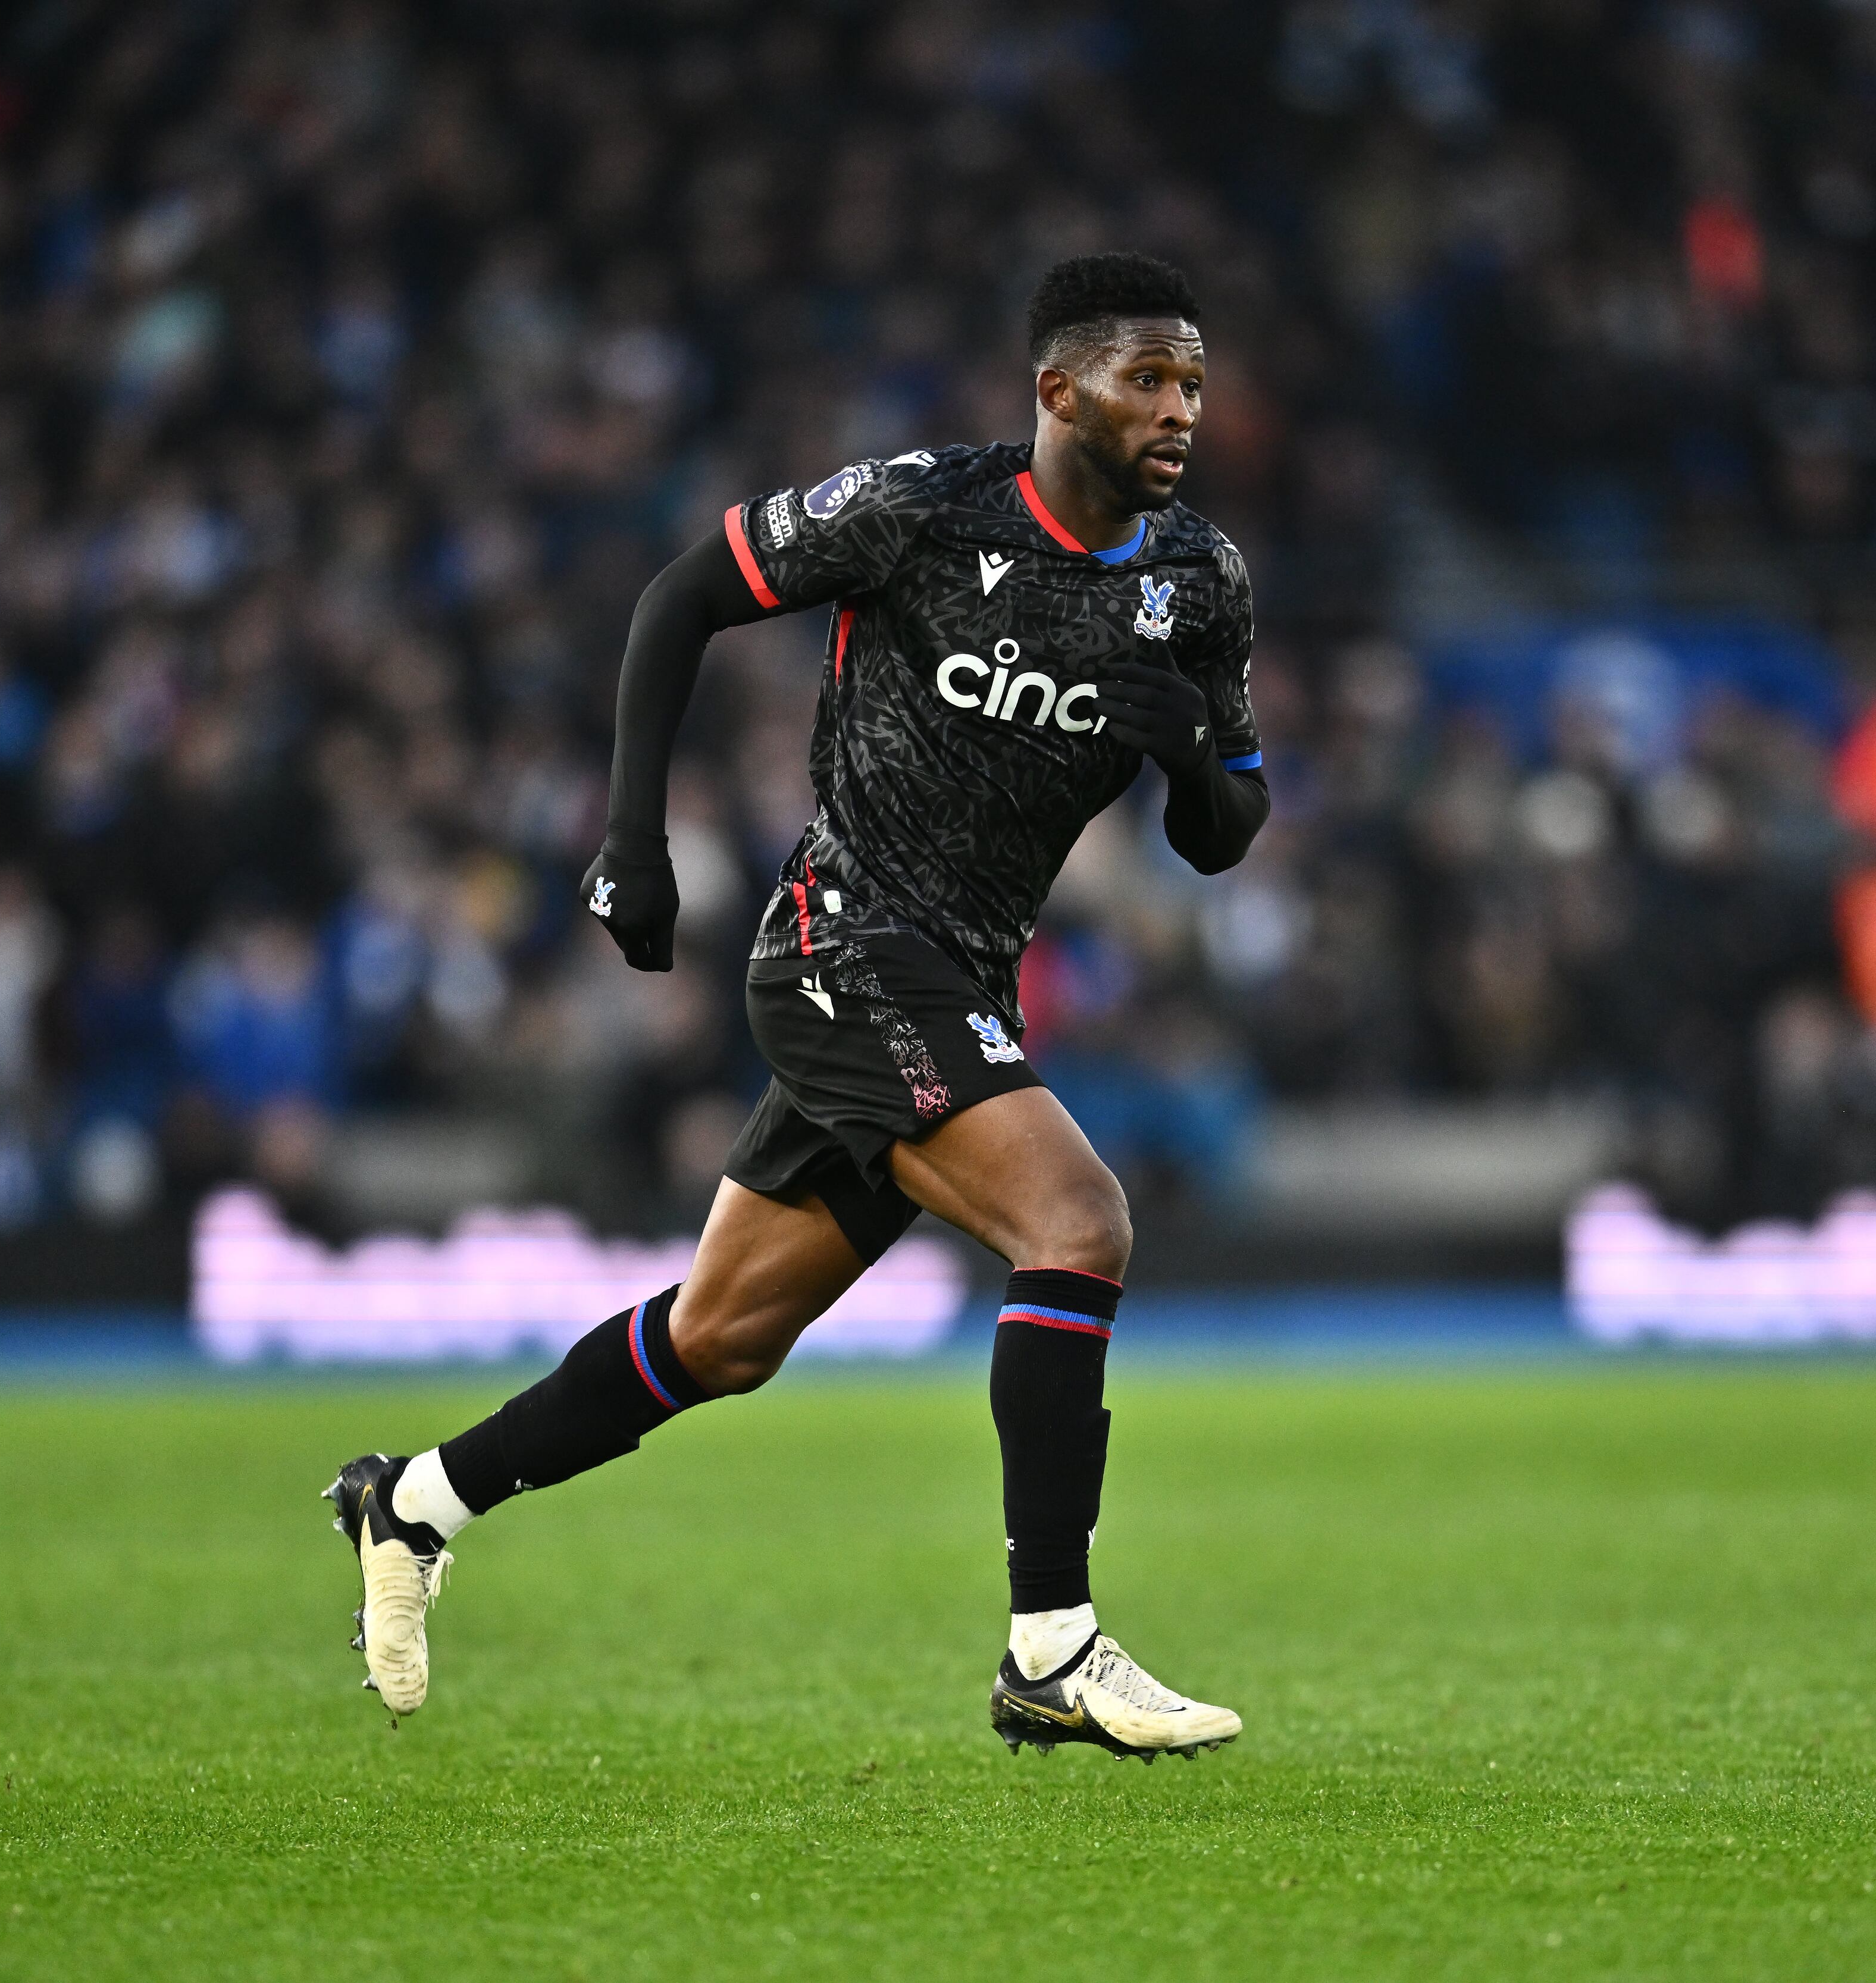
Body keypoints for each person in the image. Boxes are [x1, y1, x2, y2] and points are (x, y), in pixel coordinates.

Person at [323, 255, 1266, 1760]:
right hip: (844, 942)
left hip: (956, 975)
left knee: (721, 1337)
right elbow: (681, 597)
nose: (1178, 410)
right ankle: (1051, 1648)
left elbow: (1227, 828)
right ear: (1056, 389)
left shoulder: (1195, 581)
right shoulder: (924, 511)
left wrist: (1192, 765)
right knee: (1077, 1222)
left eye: (1194, 384)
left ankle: (413, 1500)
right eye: (1148, 379)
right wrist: (633, 843)